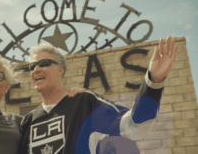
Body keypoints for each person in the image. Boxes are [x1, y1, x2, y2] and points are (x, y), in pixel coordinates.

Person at [18, 36, 178, 154]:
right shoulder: (28, 121)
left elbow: (133, 126)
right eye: (32, 66)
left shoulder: (84, 102)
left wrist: (153, 83)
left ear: (60, 69)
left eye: (44, 63)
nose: (36, 69)